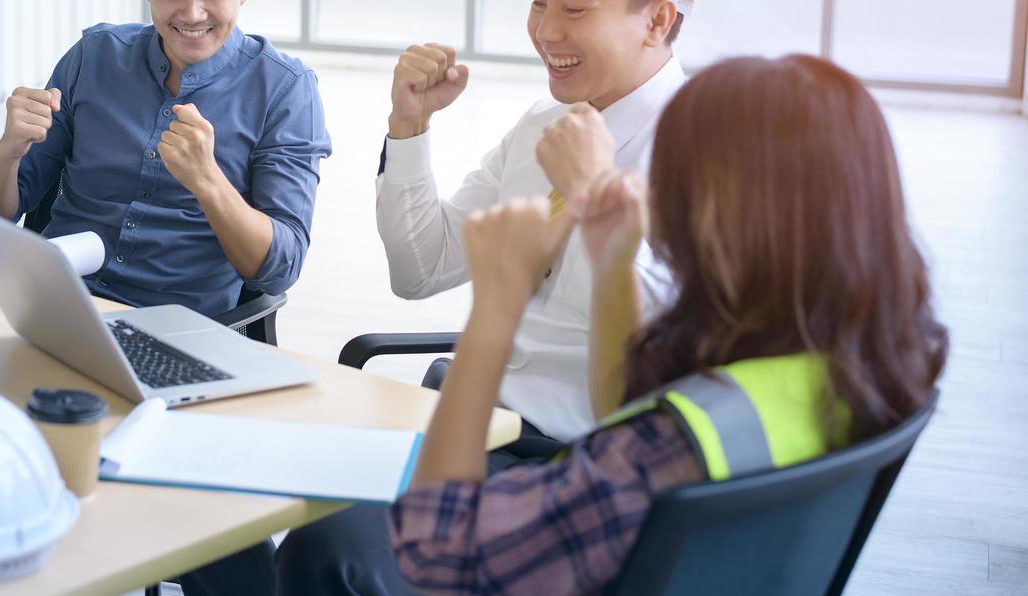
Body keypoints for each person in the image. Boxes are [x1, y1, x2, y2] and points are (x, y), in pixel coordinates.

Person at [277, 0, 698, 593]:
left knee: (331, 555)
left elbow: (664, 360)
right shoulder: (542, 124)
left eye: (573, 8)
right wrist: (410, 127)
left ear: (656, 20)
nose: (544, 32)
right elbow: (420, 269)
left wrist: (595, 199)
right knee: (276, 496)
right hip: (475, 422)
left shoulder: (701, 144)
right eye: (538, 2)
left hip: (574, 461)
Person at [387, 53, 947, 592]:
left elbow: (437, 553)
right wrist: (612, 266)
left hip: (503, 515)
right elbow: (621, 409)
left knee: (332, 543)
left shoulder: (667, 445)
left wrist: (495, 308)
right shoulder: (869, 365)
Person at [0, 0, 331, 595]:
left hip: (184, 336)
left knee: (217, 547)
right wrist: (7, 150)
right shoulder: (94, 58)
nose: (191, 12)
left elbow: (278, 267)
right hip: (62, 319)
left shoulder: (284, 90)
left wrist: (209, 182)